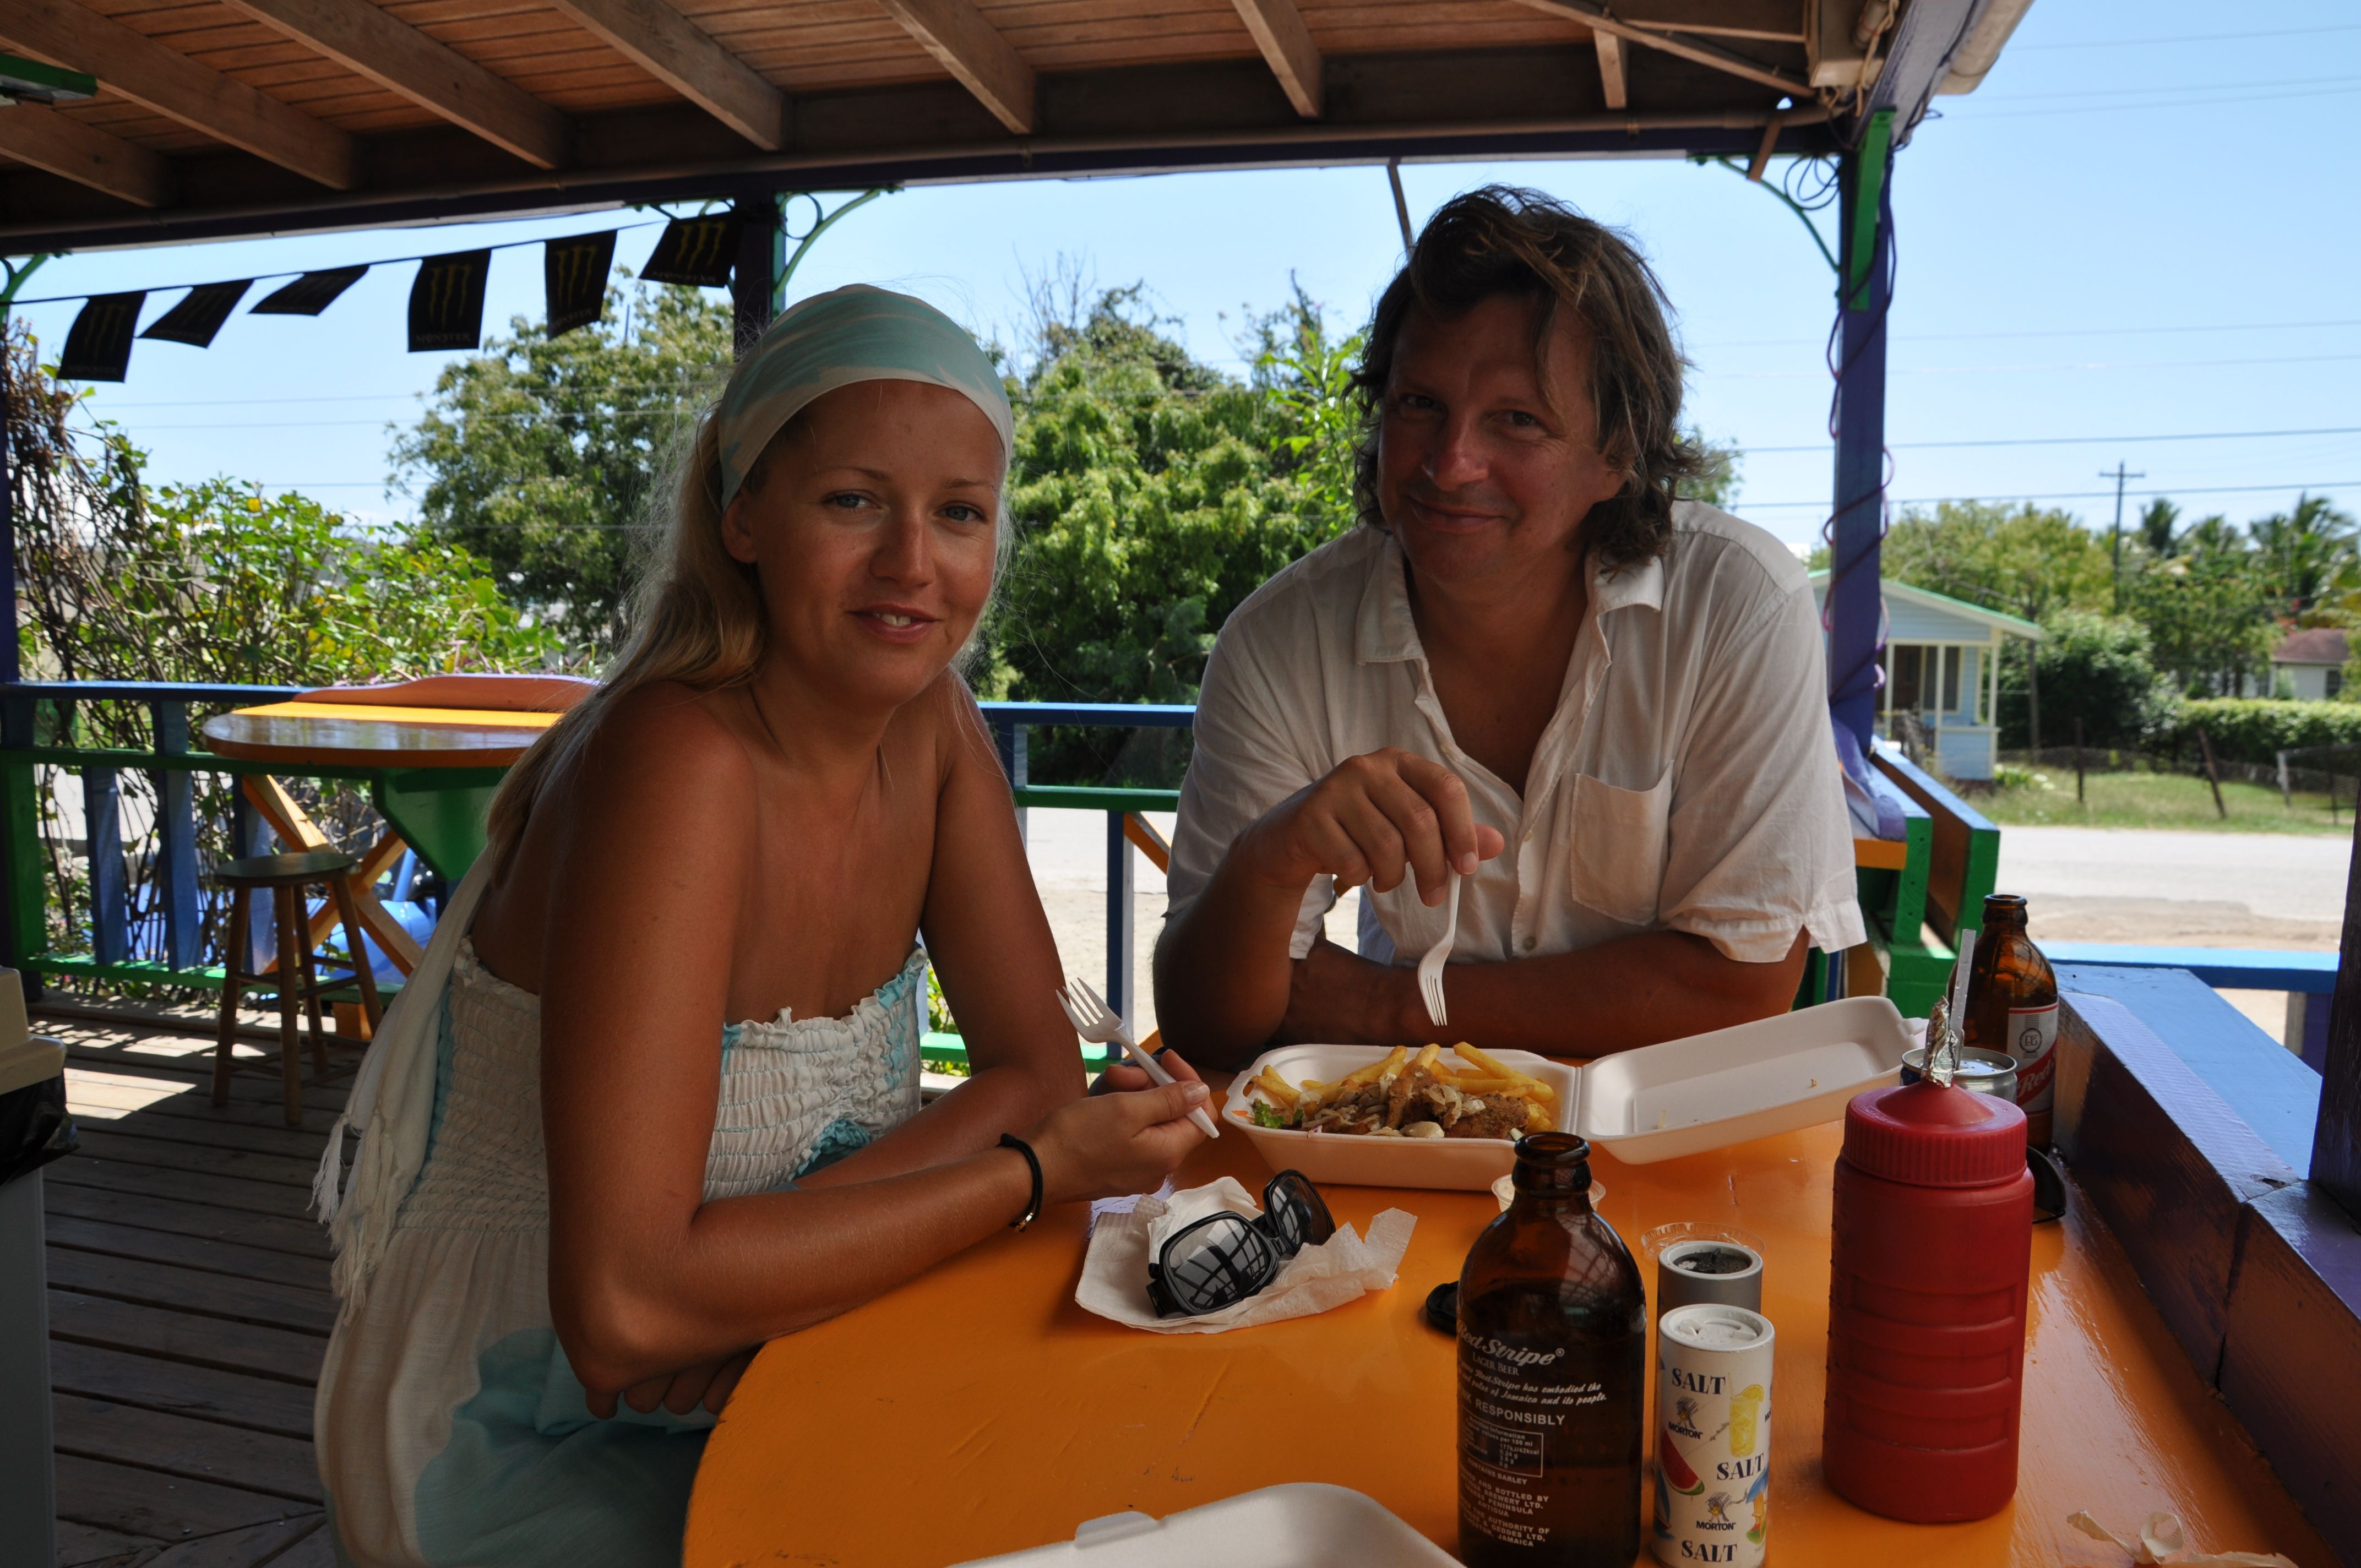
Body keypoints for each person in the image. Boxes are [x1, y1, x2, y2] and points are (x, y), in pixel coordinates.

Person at [313, 286, 1211, 1568]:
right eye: (853, 500)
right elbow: (623, 1313)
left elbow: (1034, 1072)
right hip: (520, 1413)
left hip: (779, 1340)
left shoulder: (936, 729)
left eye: (959, 513)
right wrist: (1024, 1173)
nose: (912, 561)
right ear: (742, 516)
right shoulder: (676, 756)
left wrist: (752, 1281)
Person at [1155, 187, 1864, 1066]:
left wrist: (1381, 1003)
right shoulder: (1279, 642)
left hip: (1666, 1134)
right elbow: (1205, 1028)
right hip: (1400, 1132)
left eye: (1517, 420)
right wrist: (1269, 863)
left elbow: (1738, 992)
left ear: (1617, 455)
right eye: (1419, 404)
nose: (1450, 463)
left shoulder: (1738, 604)